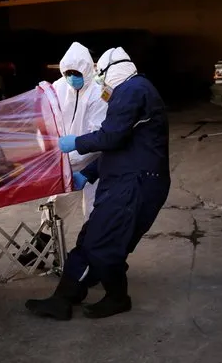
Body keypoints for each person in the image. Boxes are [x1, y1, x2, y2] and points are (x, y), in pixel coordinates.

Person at [25, 47, 171, 320]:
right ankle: (67, 296)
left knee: (102, 242)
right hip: (125, 179)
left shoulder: (131, 90)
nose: (101, 82)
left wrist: (75, 143)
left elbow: (110, 138)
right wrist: (90, 173)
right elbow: (119, 148)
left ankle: (116, 297)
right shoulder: (134, 90)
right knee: (93, 238)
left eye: (102, 75)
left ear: (112, 70)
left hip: (136, 183)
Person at [17, 42, 108, 267]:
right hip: (65, 159)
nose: (72, 77)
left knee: (95, 211)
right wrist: (47, 148)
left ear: (87, 69)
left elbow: (99, 132)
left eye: (76, 73)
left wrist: (76, 147)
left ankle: (91, 260)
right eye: (68, 72)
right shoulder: (58, 87)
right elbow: (44, 119)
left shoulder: (98, 93)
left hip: (94, 163)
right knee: (55, 207)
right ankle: (40, 250)